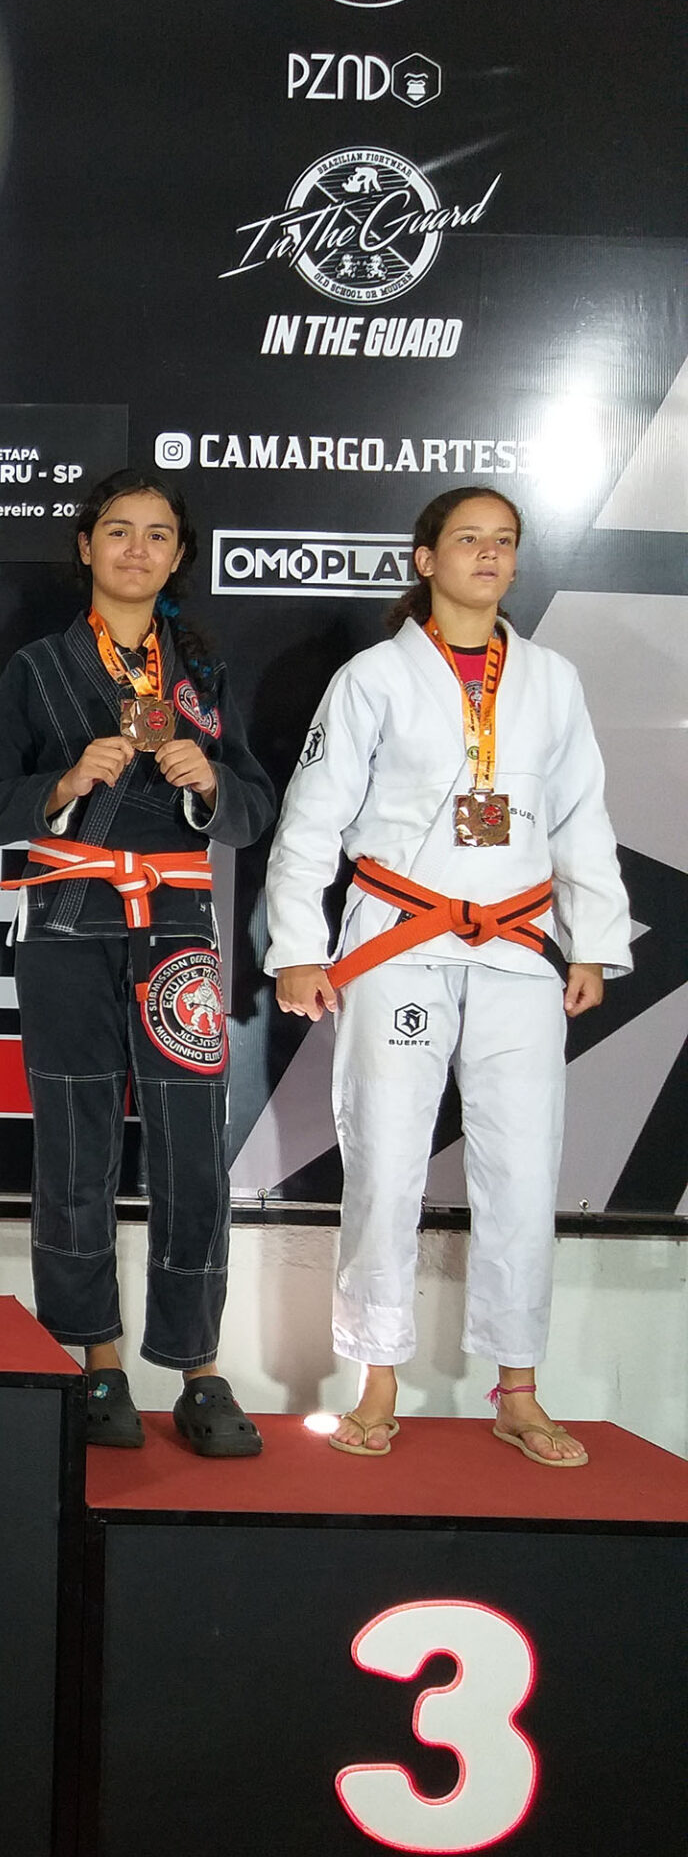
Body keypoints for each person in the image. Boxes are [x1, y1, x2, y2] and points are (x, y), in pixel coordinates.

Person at [266, 486, 631, 1465]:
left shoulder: (550, 679)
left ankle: (519, 1387)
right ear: (426, 559)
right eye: (468, 539)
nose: (488, 554)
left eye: (504, 541)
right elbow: (313, 816)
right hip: (400, 938)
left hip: (518, 945)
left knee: (524, 1163)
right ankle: (376, 1375)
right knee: (385, 1157)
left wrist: (592, 940)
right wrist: (298, 946)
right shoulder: (374, 677)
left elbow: (582, 815)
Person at [0, 470, 276, 1455]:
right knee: (74, 1143)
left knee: (194, 1149)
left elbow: (255, 808)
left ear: (178, 557)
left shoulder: (202, 678)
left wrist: (208, 780)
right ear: (86, 547)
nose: (137, 549)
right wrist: (62, 782)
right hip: (67, 923)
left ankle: (199, 1365)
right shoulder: (36, 669)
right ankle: (95, 1355)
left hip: (177, 924)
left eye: (157, 535)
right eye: (118, 531)